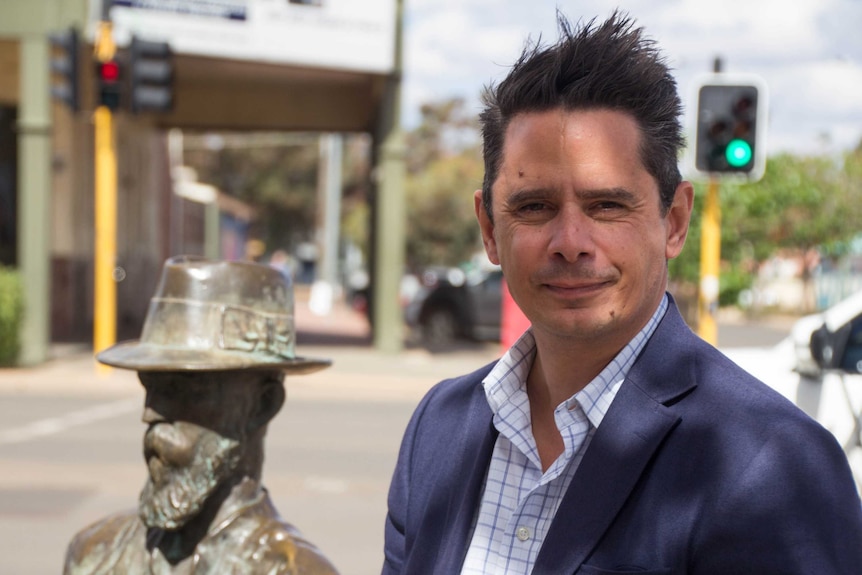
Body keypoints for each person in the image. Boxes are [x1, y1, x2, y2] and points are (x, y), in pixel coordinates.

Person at [382, 11, 862, 574]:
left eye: (607, 205)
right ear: (489, 229)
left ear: (675, 221)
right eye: (534, 206)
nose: (570, 242)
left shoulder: (773, 462)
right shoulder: (438, 428)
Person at [64, 256, 339, 575]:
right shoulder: (95, 555)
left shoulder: (292, 570)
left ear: (262, 405)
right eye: (148, 385)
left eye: (184, 388)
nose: (149, 412)